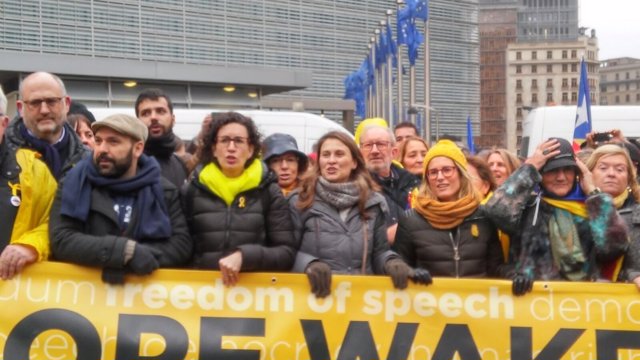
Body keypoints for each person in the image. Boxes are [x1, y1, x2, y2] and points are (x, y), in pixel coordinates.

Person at [49, 114, 192, 284]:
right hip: (85, 297)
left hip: (144, 299)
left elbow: (181, 245)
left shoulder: (163, 190)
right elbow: (62, 239)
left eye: (113, 142)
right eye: (99, 140)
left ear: (138, 148)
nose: (102, 149)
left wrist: (135, 259)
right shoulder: (74, 184)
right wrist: (123, 252)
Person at [291, 131, 431, 298]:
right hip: (313, 300)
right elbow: (287, 250)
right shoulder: (300, 200)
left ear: (354, 162)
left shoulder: (373, 202)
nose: (331, 160)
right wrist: (308, 264)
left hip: (360, 303)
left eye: (339, 154)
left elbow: (380, 252)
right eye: (326, 155)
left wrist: (392, 262)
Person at [485, 138, 628, 295]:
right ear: (540, 174)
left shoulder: (591, 209)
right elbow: (496, 211)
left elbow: (615, 248)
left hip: (580, 305)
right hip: (532, 305)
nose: (561, 177)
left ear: (577, 173)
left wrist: (594, 193)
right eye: (553, 170)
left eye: (568, 170)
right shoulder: (528, 206)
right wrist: (530, 167)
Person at [182, 112, 295, 286]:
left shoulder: (268, 191)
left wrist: (246, 256)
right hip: (201, 295)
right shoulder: (192, 189)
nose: (231, 147)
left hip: (251, 295)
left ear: (251, 150)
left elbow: (286, 253)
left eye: (239, 141)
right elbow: (181, 248)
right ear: (213, 148)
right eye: (225, 140)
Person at [393, 140, 504, 279]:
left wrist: (515, 274)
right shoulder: (411, 220)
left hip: (474, 300)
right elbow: (400, 265)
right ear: (427, 179)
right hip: (428, 299)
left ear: (460, 173)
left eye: (447, 170)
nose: (440, 177)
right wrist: (408, 272)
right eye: (433, 172)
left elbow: (495, 269)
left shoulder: (484, 216)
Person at [0, 85, 57, 280]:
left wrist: (30, 246)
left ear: (3, 123)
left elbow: (56, 223)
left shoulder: (33, 170)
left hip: (12, 299)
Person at [6, 71, 87, 180]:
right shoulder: (3, 157)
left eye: (51, 101)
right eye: (35, 103)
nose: (44, 110)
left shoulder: (89, 161)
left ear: (67, 104)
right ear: (21, 108)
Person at [586, 144, 640, 284]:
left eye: (620, 169)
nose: (611, 174)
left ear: (629, 177)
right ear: (589, 174)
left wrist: (631, 275)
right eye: (603, 168)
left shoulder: (637, 215)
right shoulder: (575, 212)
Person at [359, 125, 420, 226]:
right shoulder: (354, 188)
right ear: (360, 153)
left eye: (381, 144)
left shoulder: (413, 184)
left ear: (394, 152)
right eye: (368, 145)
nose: (374, 150)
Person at [135, 88, 189, 188]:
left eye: (160, 111)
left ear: (173, 120)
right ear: (137, 122)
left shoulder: (179, 163)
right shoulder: (129, 164)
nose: (153, 117)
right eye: (146, 113)